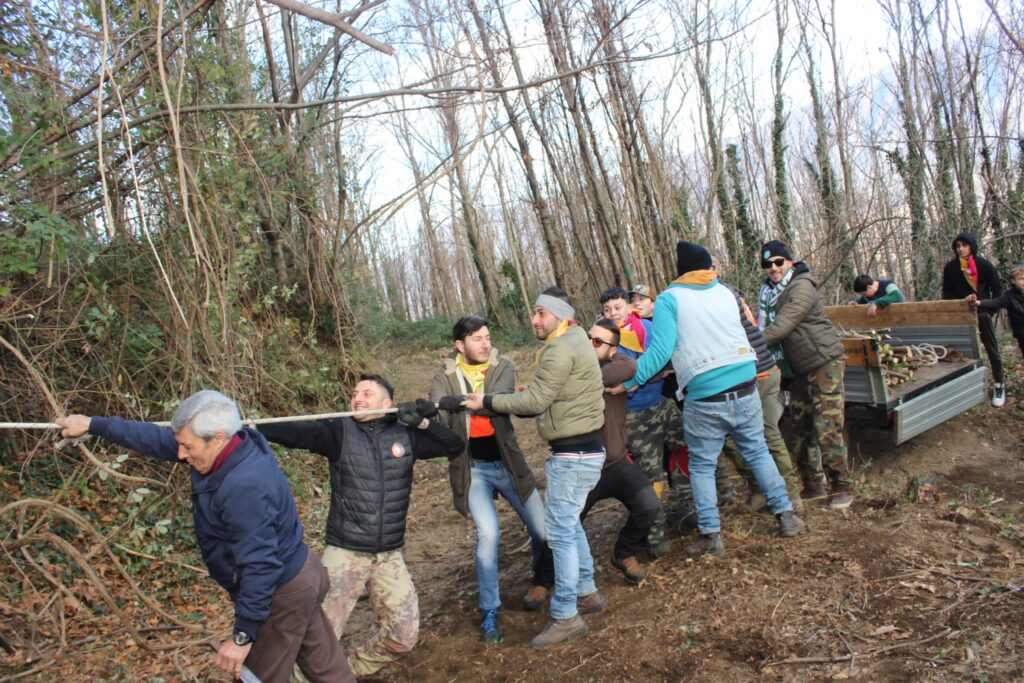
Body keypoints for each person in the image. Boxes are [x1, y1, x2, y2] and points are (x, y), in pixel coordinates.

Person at [55, 391, 354, 683]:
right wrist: (94, 425)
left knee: (255, 677)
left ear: (219, 438)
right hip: (304, 576)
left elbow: (261, 565)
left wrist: (242, 636)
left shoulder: (244, 486)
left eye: (188, 447)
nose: (181, 455)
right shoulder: (232, 443)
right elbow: (157, 439)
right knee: (327, 670)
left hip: (282, 591)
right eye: (180, 445)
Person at [256, 375, 463, 677]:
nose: (358, 398)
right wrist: (255, 427)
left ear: (387, 404)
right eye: (355, 394)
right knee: (318, 639)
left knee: (403, 636)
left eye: (367, 393)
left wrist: (423, 422)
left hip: (389, 556)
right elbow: (297, 432)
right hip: (345, 554)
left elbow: (454, 445)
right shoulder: (339, 431)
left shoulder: (406, 436)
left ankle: (346, 670)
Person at [619, 242, 804, 558]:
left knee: (703, 466)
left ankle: (711, 536)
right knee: (757, 451)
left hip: (705, 394)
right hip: (745, 383)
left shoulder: (669, 299)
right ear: (708, 267)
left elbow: (661, 351)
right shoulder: (726, 293)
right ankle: (786, 516)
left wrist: (629, 381)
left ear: (681, 271)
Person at [461, 287, 606, 648]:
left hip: (574, 456)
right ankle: (587, 592)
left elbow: (537, 401)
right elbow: (552, 390)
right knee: (569, 525)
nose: (534, 319)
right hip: (584, 450)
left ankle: (565, 614)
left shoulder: (561, 348)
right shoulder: (573, 338)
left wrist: (488, 402)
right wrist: (531, 390)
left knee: (558, 533)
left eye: (541, 313)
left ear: (559, 314)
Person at [428, 316, 549, 643]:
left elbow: (498, 401)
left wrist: (459, 404)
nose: (486, 344)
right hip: (472, 469)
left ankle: (541, 580)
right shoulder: (445, 372)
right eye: (477, 339)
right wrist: (438, 409)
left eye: (487, 337)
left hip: (508, 463)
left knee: (541, 529)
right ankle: (490, 611)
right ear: (460, 345)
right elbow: (438, 411)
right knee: (489, 535)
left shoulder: (502, 365)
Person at [758, 240, 853, 509]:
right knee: (799, 429)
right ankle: (813, 484)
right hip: (799, 368)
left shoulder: (801, 287)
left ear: (789, 262)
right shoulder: (769, 293)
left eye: (778, 262)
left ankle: (842, 486)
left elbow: (781, 327)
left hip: (824, 363)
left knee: (827, 427)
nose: (773, 268)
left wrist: (744, 345)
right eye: (767, 265)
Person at [600, 286, 690, 554]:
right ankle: (654, 535)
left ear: (629, 307)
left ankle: (683, 507)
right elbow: (611, 377)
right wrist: (646, 374)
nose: (614, 314)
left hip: (662, 403)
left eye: (618, 307)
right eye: (608, 310)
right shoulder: (604, 341)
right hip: (634, 415)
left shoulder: (647, 330)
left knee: (685, 450)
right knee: (651, 475)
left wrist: (650, 374)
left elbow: (667, 360)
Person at [942, 232, 1006, 407]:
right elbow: (946, 293)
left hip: (983, 314)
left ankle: (1000, 385)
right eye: (957, 246)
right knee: (963, 353)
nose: (961, 249)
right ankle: (968, 389)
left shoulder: (984, 265)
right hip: (962, 317)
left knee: (993, 352)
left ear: (972, 246)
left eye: (964, 245)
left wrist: (990, 312)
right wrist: (959, 303)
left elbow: (998, 291)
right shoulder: (951, 268)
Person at [968, 263, 1024, 361]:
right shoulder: (1009, 297)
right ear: (1013, 281)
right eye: (1021, 278)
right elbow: (995, 302)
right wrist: (978, 302)